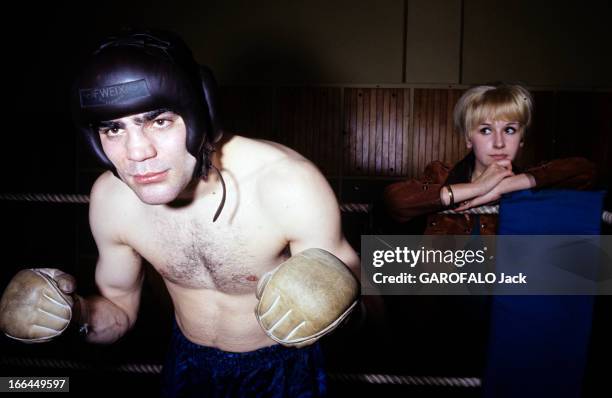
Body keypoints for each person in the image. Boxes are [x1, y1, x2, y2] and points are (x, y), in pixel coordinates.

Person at [0, 29, 361, 397]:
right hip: (186, 364)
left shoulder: (286, 184)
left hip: (284, 368)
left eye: (159, 121)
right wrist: (74, 316)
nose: (137, 152)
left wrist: (341, 305)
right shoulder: (112, 201)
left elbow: (366, 310)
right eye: (113, 129)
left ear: (201, 113)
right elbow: (120, 310)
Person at [383, 83, 596, 234]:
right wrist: (478, 187)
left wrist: (507, 185)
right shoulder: (441, 175)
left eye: (510, 130)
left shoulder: (536, 181)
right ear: (468, 138)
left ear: (522, 139)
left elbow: (586, 171)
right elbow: (395, 202)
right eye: (486, 130)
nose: (499, 142)